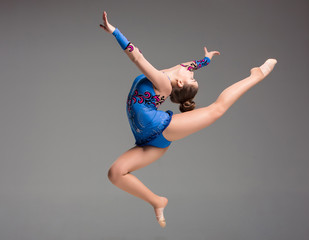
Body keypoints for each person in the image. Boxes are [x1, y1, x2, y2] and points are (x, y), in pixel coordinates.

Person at [100, 11, 277, 228]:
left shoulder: (163, 83)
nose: (192, 72)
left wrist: (115, 32)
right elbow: (191, 65)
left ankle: (256, 75)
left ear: (181, 85)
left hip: (158, 127)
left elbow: (137, 56)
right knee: (115, 173)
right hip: (146, 140)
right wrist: (206, 59)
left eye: (192, 78)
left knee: (216, 110)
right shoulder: (181, 70)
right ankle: (157, 201)